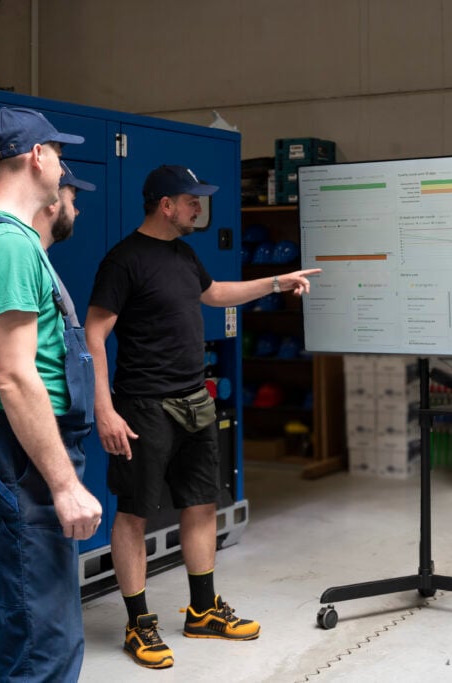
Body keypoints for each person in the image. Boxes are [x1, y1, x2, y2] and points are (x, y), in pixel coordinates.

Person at [84, 164, 321, 669]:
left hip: (195, 400)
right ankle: (139, 623)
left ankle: (203, 609)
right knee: (133, 513)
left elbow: (214, 294)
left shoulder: (183, 254)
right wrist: (103, 408)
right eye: (192, 200)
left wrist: (277, 282)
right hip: (143, 406)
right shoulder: (123, 261)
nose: (199, 208)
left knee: (201, 504)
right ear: (166, 205)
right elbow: (94, 334)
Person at [0, 107, 104, 683]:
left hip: (18, 450)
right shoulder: (8, 248)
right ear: (38, 156)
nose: (62, 165)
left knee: (17, 619)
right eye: (59, 154)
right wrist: (64, 486)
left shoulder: (6, 241)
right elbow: (15, 377)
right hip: (22, 460)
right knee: (43, 641)